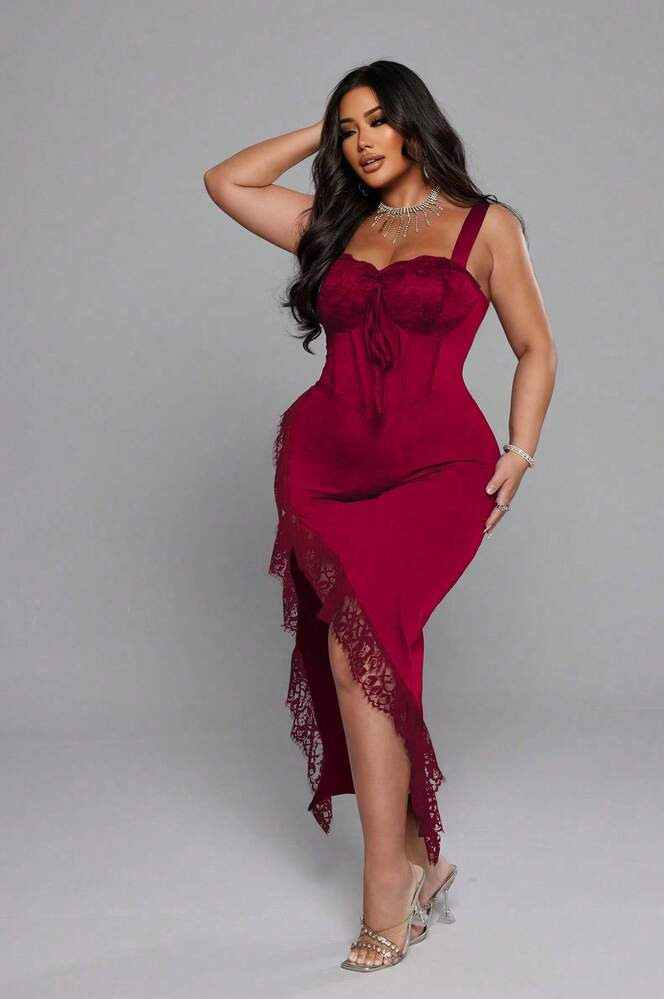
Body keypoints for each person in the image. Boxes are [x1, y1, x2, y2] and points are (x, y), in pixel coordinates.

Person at [204, 60, 557, 972]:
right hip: (325, 467)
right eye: (348, 128)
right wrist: (318, 131)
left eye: (375, 122)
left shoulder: (486, 225)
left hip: (440, 470)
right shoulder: (334, 223)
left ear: (413, 122)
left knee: (359, 647)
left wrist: (520, 451)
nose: (362, 141)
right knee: (361, 654)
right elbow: (227, 182)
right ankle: (416, 862)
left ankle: (385, 891)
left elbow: (535, 345)